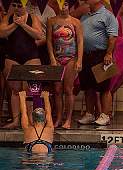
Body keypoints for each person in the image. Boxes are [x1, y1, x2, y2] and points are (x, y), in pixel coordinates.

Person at [0, 0, 42, 129]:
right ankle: (16, 120)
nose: (17, 8)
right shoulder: (7, 18)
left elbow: (38, 35)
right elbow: (2, 33)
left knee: (31, 90)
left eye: (20, 5)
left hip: (31, 56)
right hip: (12, 56)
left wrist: (23, 24)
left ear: (25, 5)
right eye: (14, 5)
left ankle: (30, 119)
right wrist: (15, 24)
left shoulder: (32, 17)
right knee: (15, 90)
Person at [77, 0, 118, 126]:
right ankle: (90, 114)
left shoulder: (108, 15)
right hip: (86, 55)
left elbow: (113, 37)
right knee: (88, 87)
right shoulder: (85, 16)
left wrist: (109, 53)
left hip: (101, 55)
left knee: (104, 88)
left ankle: (105, 115)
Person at [47, 1, 83, 129]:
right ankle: (58, 119)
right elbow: (49, 42)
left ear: (69, 6)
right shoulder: (51, 21)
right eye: (61, 4)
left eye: (66, 4)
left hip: (71, 59)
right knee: (57, 91)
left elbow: (79, 42)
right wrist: (52, 58)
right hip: (57, 58)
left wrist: (79, 60)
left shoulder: (75, 22)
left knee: (68, 90)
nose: (63, 7)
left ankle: (68, 119)